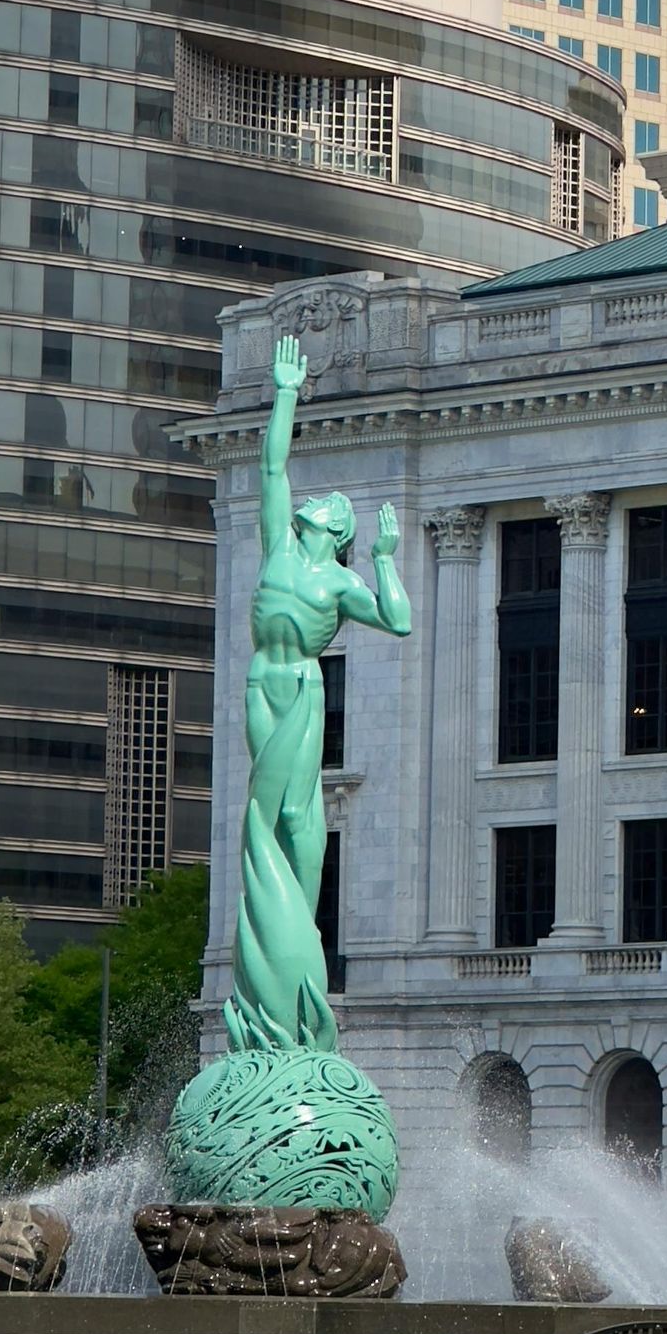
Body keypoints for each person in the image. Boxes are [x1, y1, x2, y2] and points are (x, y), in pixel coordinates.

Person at [224, 335, 410, 1053]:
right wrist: (286, 394)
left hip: (303, 685)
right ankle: (275, 948)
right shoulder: (276, 545)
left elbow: (398, 619)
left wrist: (388, 560)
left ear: (336, 531)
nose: (312, 503)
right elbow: (272, 464)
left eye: (326, 505)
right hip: (261, 685)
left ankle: (298, 931)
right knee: (261, 817)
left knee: (300, 816)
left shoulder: (337, 581)